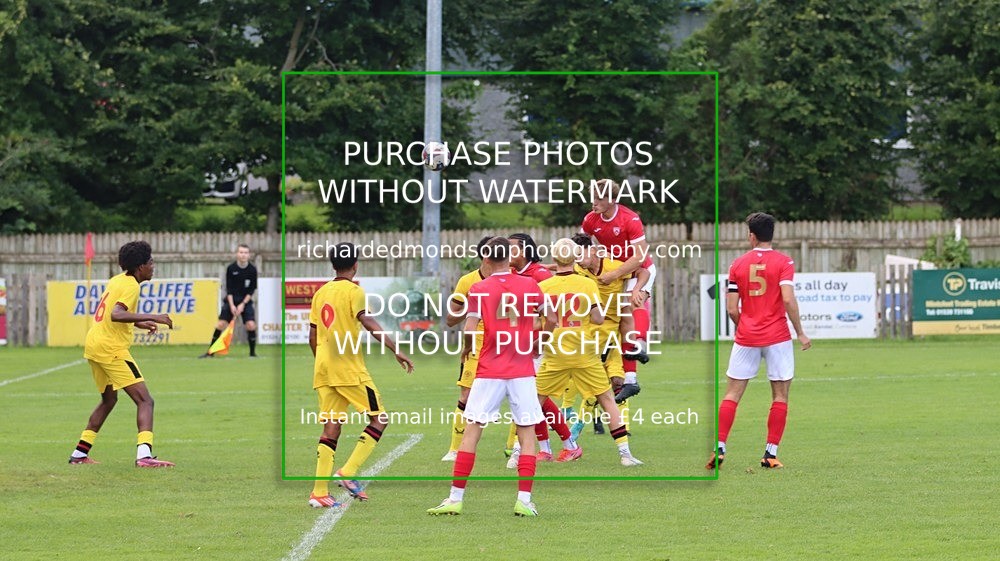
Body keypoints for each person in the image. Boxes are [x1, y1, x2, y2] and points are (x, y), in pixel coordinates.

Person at [428, 237, 554, 517]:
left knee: (472, 431)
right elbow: (552, 319)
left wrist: (466, 352)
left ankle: (455, 498)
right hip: (522, 368)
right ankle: (524, 499)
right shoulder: (530, 285)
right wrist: (538, 344)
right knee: (527, 434)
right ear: (510, 258)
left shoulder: (479, 288)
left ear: (485, 259)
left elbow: (470, 329)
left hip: (489, 369)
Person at [308, 242, 414, 508]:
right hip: (349, 370)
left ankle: (319, 492)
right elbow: (367, 321)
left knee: (331, 427)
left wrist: (323, 362)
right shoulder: (355, 291)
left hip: (324, 368)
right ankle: (348, 472)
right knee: (380, 419)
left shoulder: (320, 293)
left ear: (333, 264)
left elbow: (312, 334)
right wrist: (396, 349)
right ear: (356, 265)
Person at [707, 212, 811, 471]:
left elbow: (732, 309)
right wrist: (800, 332)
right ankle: (770, 454)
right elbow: (787, 299)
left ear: (751, 236)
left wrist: (746, 329)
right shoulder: (785, 262)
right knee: (780, 395)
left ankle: (720, 447)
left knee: (732, 394)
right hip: (777, 337)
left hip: (746, 338)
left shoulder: (737, 265)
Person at [68, 241, 175, 467]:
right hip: (111, 349)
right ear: (139, 267)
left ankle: (79, 454)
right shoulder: (132, 286)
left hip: (95, 344)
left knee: (109, 399)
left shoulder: (118, 280)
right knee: (145, 401)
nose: (153, 266)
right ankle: (144, 457)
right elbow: (117, 314)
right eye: (150, 262)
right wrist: (155, 317)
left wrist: (141, 323)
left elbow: (112, 316)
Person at [536, 238, 643, 466]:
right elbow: (598, 318)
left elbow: (540, 321)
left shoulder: (544, 286)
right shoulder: (586, 284)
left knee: (533, 403)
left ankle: (520, 452)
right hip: (584, 350)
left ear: (554, 259)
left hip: (555, 351)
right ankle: (625, 455)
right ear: (575, 257)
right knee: (607, 400)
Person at [505, 232, 577, 467]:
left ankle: (555, 445)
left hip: (540, 345)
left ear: (524, 250)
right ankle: (549, 447)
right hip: (522, 344)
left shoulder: (540, 275)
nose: (507, 252)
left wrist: (539, 340)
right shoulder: (514, 274)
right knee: (531, 398)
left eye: (511, 248)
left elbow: (550, 315)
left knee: (533, 396)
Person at [580, 179, 654, 402]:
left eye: (600, 198)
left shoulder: (630, 219)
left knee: (633, 303)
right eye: (593, 197)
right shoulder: (591, 219)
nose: (594, 203)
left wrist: (613, 274)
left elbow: (639, 257)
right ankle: (630, 379)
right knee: (622, 321)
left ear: (613, 200)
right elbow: (581, 245)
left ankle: (640, 343)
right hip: (616, 270)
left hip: (640, 268)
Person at [571, 234, 650, 440]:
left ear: (594, 250)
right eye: (574, 255)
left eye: (581, 254)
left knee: (618, 382)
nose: (578, 259)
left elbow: (644, 271)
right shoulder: (577, 270)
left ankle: (622, 426)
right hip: (590, 333)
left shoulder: (615, 267)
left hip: (613, 333)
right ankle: (575, 430)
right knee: (591, 388)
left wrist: (636, 290)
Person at [441, 235, 494, 462]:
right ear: (485, 256)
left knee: (520, 396)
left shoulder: (510, 279)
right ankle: (455, 449)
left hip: (505, 344)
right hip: (476, 345)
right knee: (466, 395)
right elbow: (450, 320)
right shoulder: (467, 282)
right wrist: (473, 308)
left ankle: (515, 449)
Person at [201, 244, 258, 358]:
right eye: (241, 252)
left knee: (251, 325)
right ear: (237, 254)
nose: (243, 255)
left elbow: (252, 290)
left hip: (245, 302)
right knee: (221, 324)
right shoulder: (231, 268)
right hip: (231, 301)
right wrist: (232, 306)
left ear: (249, 255)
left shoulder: (252, 270)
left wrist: (242, 305)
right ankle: (210, 352)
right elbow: (229, 289)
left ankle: (252, 354)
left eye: (246, 253)